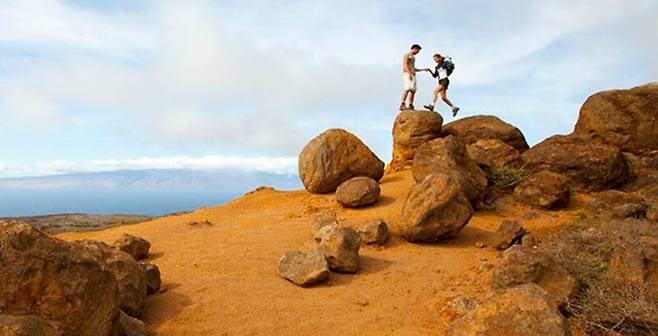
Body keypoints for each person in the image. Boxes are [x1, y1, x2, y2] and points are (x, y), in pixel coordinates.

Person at [400, 44, 424, 111]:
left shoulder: (413, 57)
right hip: (408, 73)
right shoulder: (407, 55)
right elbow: (405, 64)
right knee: (407, 88)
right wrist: (409, 73)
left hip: (412, 74)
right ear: (414, 49)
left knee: (413, 90)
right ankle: (402, 104)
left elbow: (413, 67)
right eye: (417, 51)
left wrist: (422, 69)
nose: (417, 52)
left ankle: (410, 105)